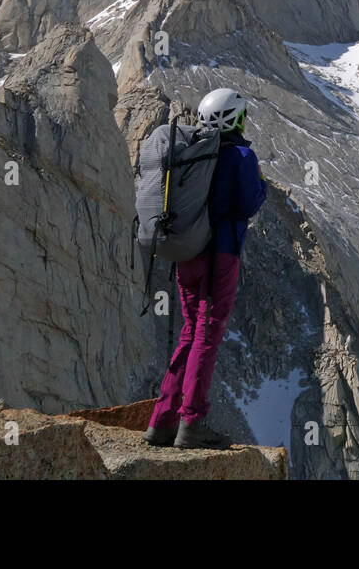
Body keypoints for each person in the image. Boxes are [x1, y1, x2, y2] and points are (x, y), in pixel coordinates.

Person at [144, 88, 267, 449]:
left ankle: (162, 421)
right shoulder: (241, 155)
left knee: (189, 334)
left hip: (188, 255)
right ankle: (192, 423)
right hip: (220, 256)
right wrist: (261, 187)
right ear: (235, 119)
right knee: (207, 336)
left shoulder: (194, 153)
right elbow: (247, 204)